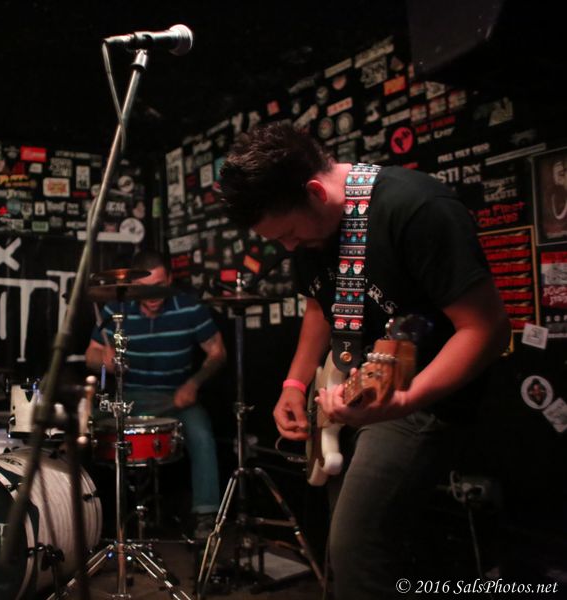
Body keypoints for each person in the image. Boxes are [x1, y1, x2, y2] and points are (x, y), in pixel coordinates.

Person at [218, 123, 510, 599]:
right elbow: (320, 306)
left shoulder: (417, 208)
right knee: (346, 548)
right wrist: (295, 384)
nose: (287, 247)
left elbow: (487, 329)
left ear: (316, 192)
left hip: (421, 399)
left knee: (357, 549)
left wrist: (405, 401)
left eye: (288, 233)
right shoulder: (312, 233)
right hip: (355, 391)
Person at [85, 250, 227, 538]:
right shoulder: (116, 309)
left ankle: (206, 516)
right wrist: (105, 361)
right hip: (128, 398)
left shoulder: (189, 307)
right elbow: (91, 355)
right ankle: (90, 516)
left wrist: (194, 383)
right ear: (134, 285)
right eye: (145, 287)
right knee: (83, 428)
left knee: (201, 434)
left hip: (175, 398)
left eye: (159, 285)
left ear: (170, 279)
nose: (152, 294)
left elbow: (217, 352)